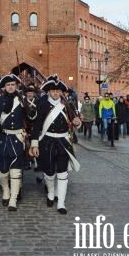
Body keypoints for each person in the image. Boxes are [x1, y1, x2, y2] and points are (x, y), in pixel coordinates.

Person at [30, 75, 81, 215]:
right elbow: (37, 126)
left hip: (63, 142)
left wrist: (77, 122)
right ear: (48, 91)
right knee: (49, 172)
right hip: (46, 142)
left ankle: (61, 203)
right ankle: (51, 193)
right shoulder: (41, 104)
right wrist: (34, 144)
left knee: (62, 173)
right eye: (53, 91)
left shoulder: (67, 104)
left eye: (58, 91)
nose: (55, 93)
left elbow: (74, 121)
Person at [0, 73, 34, 212]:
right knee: (3, 171)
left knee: (15, 171)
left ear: (16, 86)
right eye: (8, 85)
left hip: (17, 139)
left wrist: (29, 106)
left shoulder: (22, 99)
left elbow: (32, 117)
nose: (10, 87)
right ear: (4, 87)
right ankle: (5, 192)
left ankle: (13, 199)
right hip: (3, 138)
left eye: (13, 84)